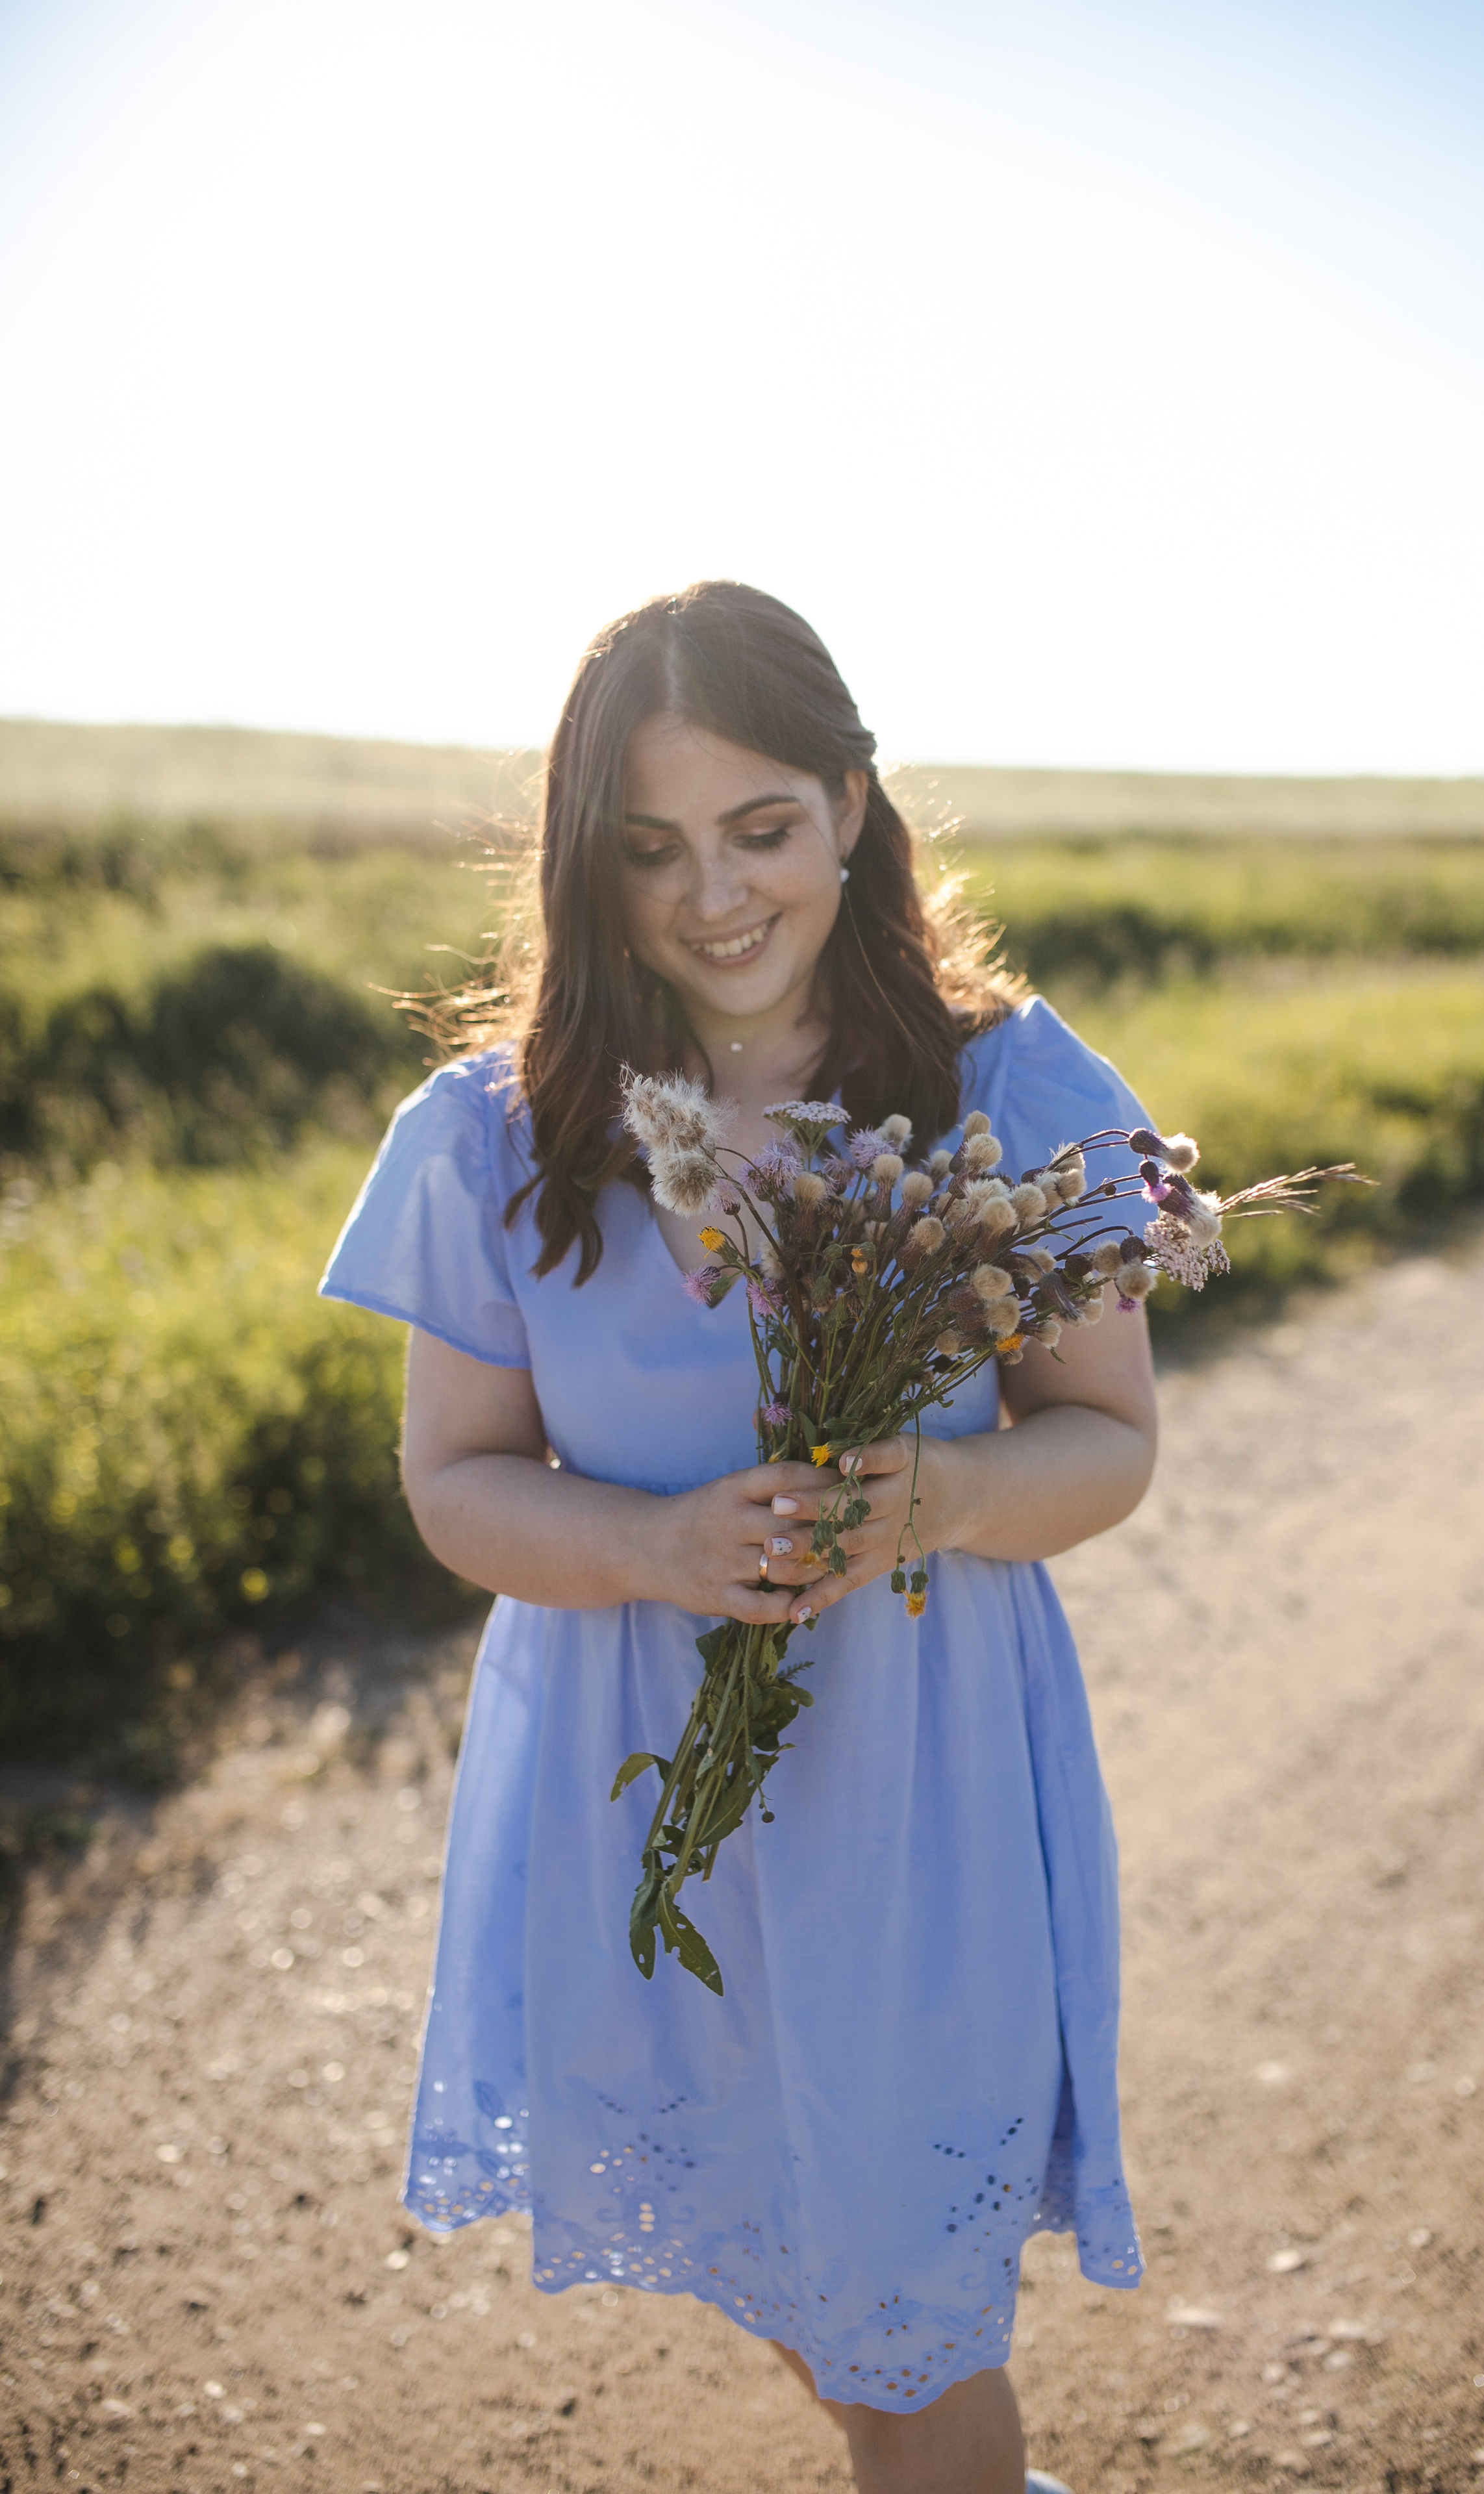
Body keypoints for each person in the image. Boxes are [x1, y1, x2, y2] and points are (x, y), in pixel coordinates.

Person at [320, 581, 1159, 2494]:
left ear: (853, 810)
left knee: (907, 2325)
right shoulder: (494, 1132)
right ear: (583, 863)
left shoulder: (1006, 1093)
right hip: (650, 1825)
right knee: (808, 2291)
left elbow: (1108, 1445)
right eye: (651, 848)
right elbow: (455, 1487)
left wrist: (935, 1498)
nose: (714, 897)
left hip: (918, 1799)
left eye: (762, 829)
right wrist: (655, 1546)